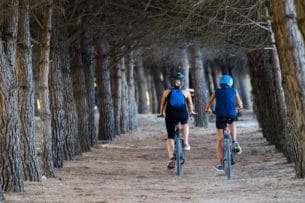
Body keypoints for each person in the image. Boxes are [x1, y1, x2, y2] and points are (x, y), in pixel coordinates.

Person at [204, 74, 243, 171]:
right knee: (232, 122)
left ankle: (221, 162)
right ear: (230, 83)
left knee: (220, 140)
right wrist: (239, 108)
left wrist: (207, 109)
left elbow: (209, 102)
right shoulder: (234, 90)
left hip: (220, 115)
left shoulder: (217, 91)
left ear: (220, 83)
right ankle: (234, 141)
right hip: (231, 114)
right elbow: (240, 104)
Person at [158, 72, 196, 169]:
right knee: (185, 123)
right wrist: (191, 111)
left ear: (172, 82)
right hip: (182, 114)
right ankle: (186, 143)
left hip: (170, 115)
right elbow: (190, 105)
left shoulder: (167, 92)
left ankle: (171, 158)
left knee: (170, 137)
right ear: (182, 83)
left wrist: (161, 113)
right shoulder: (186, 92)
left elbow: (162, 104)